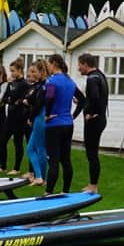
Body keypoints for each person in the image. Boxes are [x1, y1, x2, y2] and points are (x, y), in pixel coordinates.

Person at [43, 53, 85, 193]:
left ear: (54, 63)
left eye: (48, 64)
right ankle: (66, 191)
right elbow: (82, 100)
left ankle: (48, 192)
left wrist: (47, 115)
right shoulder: (70, 81)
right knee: (66, 160)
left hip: (54, 124)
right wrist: (73, 115)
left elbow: (48, 99)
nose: (47, 67)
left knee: (53, 160)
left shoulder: (51, 81)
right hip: (68, 124)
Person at [76, 53, 109, 194]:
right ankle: (92, 183)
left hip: (95, 120)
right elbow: (97, 96)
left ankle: (93, 186)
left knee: (92, 154)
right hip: (101, 118)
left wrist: (90, 112)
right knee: (92, 153)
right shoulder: (100, 75)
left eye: (79, 65)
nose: (78, 68)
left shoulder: (92, 78)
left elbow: (95, 97)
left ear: (85, 64)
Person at [24, 60, 49, 186]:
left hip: (40, 118)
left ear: (42, 72)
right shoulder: (40, 85)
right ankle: (39, 176)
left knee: (40, 148)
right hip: (39, 117)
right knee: (30, 148)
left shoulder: (45, 85)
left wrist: (31, 118)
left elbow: (38, 104)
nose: (32, 74)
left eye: (35, 72)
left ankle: (41, 178)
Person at [2, 58, 30, 175]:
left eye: (13, 71)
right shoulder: (11, 83)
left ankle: (16, 168)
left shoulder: (25, 84)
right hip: (10, 116)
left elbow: (20, 100)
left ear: (19, 70)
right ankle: (1, 166)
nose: (11, 73)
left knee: (18, 143)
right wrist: (11, 100)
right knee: (2, 140)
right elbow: (5, 98)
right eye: (10, 71)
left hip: (19, 118)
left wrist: (12, 100)